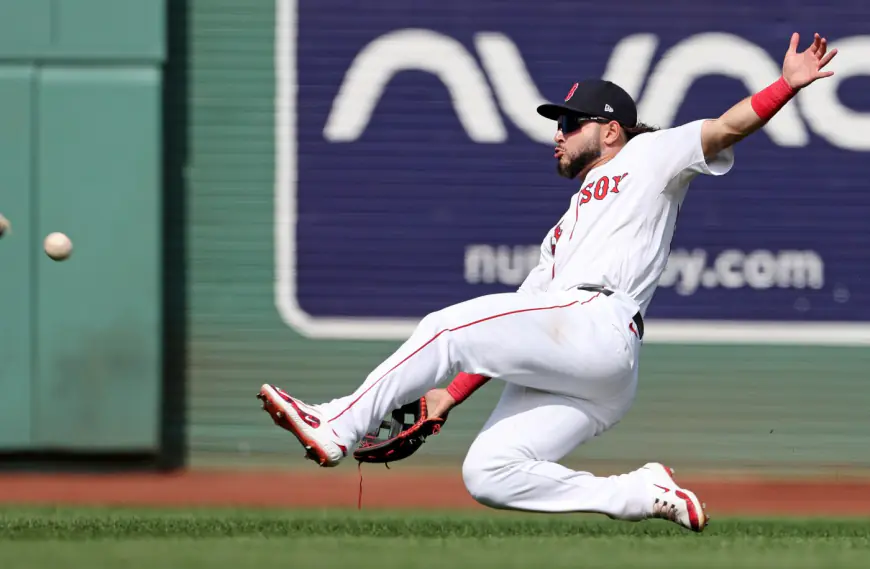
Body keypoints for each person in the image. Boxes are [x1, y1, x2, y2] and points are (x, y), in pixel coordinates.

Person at [258, 32, 837, 532]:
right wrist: (446, 396)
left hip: (600, 325)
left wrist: (786, 85)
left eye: (568, 122)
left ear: (610, 130)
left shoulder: (651, 155)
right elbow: (515, 324)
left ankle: (338, 423)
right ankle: (638, 494)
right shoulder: (561, 234)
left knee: (445, 325)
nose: (557, 133)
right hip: (585, 360)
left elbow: (728, 126)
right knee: (489, 471)